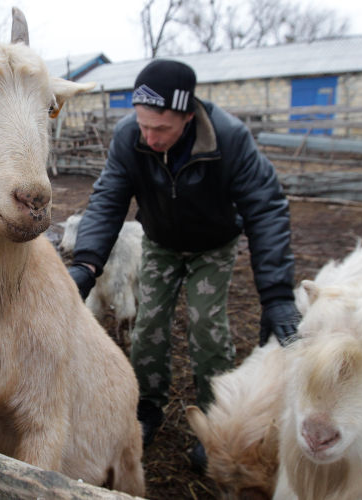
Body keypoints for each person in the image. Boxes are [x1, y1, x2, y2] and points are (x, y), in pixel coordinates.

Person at [67, 59, 299, 467]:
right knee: (149, 326)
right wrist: (85, 265)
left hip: (213, 246)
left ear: (188, 116)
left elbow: (266, 208)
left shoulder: (228, 139)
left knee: (207, 328)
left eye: (162, 129)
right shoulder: (129, 138)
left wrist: (277, 295)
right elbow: (108, 199)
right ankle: (146, 408)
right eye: (143, 126)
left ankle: (215, 417)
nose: (150, 137)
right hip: (160, 243)